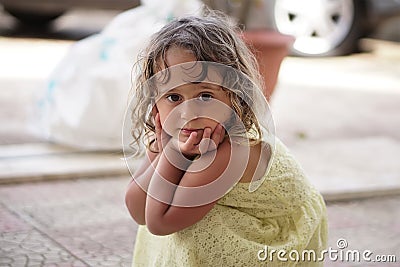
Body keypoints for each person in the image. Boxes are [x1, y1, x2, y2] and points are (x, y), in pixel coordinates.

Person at [125, 10, 327, 267]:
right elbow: (137, 210)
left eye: (205, 96)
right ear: (156, 103)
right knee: (161, 194)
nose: (187, 114)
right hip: (241, 214)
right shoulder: (173, 132)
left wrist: (174, 156)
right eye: (173, 97)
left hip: (279, 234)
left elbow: (159, 223)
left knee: (189, 230)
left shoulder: (231, 149)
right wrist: (164, 152)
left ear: (234, 96)